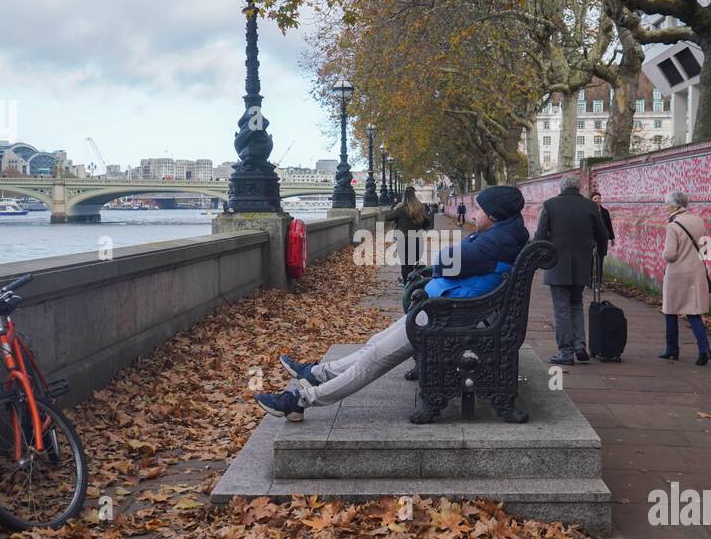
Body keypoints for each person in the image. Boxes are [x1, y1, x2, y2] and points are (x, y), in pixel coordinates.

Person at [254, 185, 529, 420]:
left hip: (448, 314)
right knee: (375, 343)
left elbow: (446, 261)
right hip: (448, 307)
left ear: (493, 216)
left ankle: (301, 400)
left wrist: (458, 250)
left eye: (479, 210)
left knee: (375, 357)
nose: (472, 214)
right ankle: (318, 373)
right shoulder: (500, 236)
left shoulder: (493, 242)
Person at [535, 174, 608, 365]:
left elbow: (541, 235)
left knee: (561, 308)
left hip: (557, 264)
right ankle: (579, 345)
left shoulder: (550, 205)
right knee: (576, 304)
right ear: (578, 187)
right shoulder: (591, 206)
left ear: (561, 187)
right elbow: (603, 235)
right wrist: (600, 255)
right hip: (582, 264)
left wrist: (538, 259)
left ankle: (566, 352)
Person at [658, 190, 711, 365]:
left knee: (670, 310)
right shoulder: (699, 221)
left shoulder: (673, 225)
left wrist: (663, 253)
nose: (665, 207)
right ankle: (704, 348)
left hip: (677, 273)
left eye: (667, 204)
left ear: (674, 206)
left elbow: (671, 255)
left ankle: (672, 349)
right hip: (697, 272)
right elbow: (706, 251)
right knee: (694, 312)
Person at [384, 185, 433, 284]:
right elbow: (427, 223)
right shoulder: (420, 208)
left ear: (404, 197)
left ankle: (407, 283)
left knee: (406, 264)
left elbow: (388, 217)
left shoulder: (401, 209)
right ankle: (412, 283)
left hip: (404, 240)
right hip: (417, 239)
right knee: (413, 262)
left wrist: (394, 206)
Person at [589, 190, 614, 282]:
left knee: (600, 261)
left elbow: (609, 225)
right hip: (591, 239)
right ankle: (590, 279)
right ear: (591, 200)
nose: (597, 200)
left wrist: (611, 238)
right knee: (590, 260)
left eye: (599, 198)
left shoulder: (605, 211)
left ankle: (599, 281)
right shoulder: (589, 211)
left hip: (602, 239)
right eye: (595, 198)